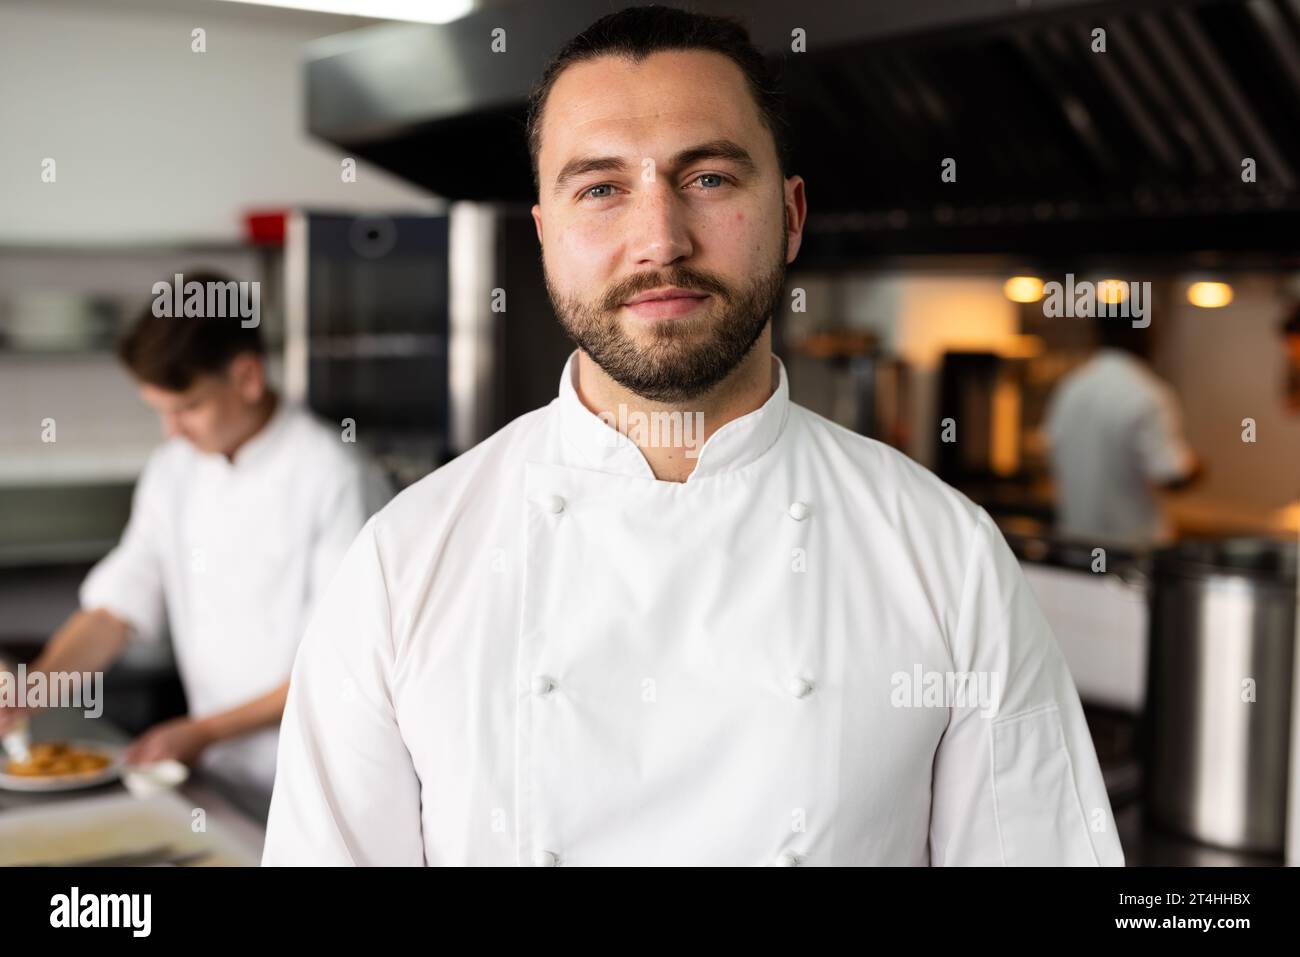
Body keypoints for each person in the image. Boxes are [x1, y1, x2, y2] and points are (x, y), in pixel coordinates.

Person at [263, 7, 1122, 866]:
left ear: (790, 215)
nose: (659, 241)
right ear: (546, 238)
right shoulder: (403, 565)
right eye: (600, 188)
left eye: (708, 178)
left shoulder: (948, 555)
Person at [0, 271, 390, 798]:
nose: (172, 431)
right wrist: (32, 690)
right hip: (222, 769)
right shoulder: (174, 470)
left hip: (323, 777)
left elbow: (341, 661)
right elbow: (116, 609)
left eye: (187, 408)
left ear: (247, 377)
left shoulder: (336, 476)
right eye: (160, 411)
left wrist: (203, 731)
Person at [1044, 315, 1201, 546]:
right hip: (1132, 551)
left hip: (1074, 546)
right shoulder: (1147, 392)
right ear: (1143, 335)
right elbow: (1171, 474)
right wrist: (1198, 467)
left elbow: (1049, 447)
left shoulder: (1070, 387)